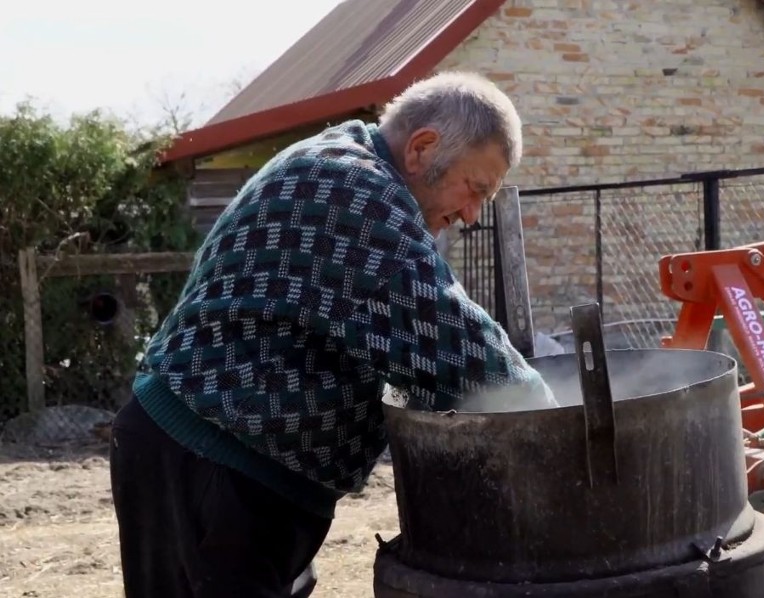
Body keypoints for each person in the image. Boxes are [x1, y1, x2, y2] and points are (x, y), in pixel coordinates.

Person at [109, 71, 556, 598]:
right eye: (475, 189)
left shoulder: (344, 160)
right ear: (422, 147)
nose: (470, 214)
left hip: (228, 467)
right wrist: (561, 423)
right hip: (210, 466)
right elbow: (458, 349)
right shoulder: (357, 196)